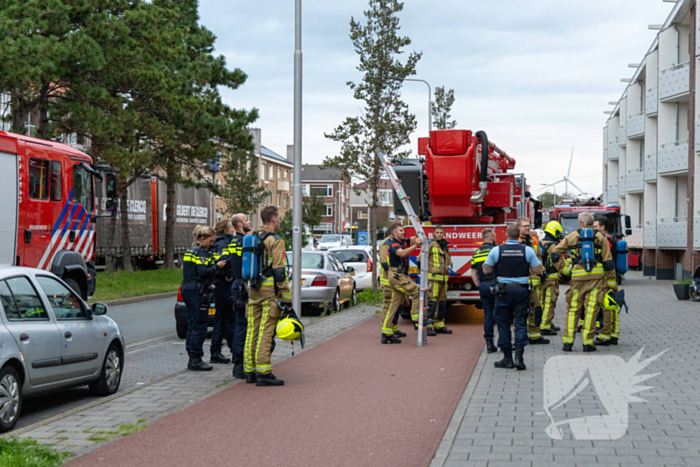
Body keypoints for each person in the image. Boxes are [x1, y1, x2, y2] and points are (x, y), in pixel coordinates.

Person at [552, 212, 618, 352]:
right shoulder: (601, 237)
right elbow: (608, 262)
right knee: (591, 311)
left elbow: (555, 253)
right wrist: (612, 284)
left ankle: (568, 343)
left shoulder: (572, 236)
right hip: (596, 279)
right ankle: (588, 343)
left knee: (573, 310)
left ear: (580, 223)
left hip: (577, 279)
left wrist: (564, 270)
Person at [483, 224, 542, 370]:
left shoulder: (497, 250)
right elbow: (538, 269)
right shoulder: (527, 250)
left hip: (503, 292)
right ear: (518, 236)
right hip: (522, 291)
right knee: (521, 322)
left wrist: (495, 271)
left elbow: (486, 269)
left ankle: (507, 358)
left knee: (503, 324)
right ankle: (519, 358)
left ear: (506, 235)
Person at [244, 206, 291, 386]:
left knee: (252, 331)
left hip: (253, 289)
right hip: (270, 291)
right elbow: (280, 271)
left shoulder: (252, 238)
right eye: (278, 218)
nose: (279, 221)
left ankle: (249, 371)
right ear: (273, 219)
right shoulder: (275, 241)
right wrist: (287, 298)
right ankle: (263, 372)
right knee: (265, 331)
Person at [182, 226, 227, 371]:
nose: (212, 244)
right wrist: (217, 266)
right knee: (200, 325)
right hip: (197, 290)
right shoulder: (200, 253)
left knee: (192, 324)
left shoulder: (190, 251)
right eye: (210, 240)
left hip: (188, 288)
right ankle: (196, 358)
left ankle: (192, 355)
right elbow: (203, 272)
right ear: (202, 239)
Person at [384, 223, 423, 343]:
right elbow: (402, 253)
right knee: (417, 291)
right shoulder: (393, 244)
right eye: (401, 230)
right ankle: (416, 319)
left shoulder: (403, 241)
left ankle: (387, 333)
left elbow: (415, 238)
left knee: (395, 304)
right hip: (397, 275)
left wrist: (417, 224)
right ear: (394, 233)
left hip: (400, 275)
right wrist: (416, 245)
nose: (403, 232)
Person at [517, 217, 549, 345]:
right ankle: (519, 337)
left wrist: (542, 272)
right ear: (518, 228)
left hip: (534, 282)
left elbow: (539, 258)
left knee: (536, 310)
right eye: (524, 226)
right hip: (520, 282)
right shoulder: (515, 242)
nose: (527, 228)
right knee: (520, 311)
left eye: (528, 225)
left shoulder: (534, 240)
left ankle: (534, 336)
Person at [210, 220, 235, 365]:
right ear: (225, 230)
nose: (233, 230)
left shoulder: (219, 242)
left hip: (222, 282)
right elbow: (222, 260)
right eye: (231, 227)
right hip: (225, 283)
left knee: (220, 318)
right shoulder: (223, 243)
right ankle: (235, 350)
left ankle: (216, 351)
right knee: (230, 318)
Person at [230, 213, 252, 379]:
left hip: (236, 284)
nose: (249, 221)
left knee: (240, 324)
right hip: (243, 286)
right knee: (242, 325)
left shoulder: (233, 242)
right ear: (239, 224)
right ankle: (239, 364)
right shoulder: (243, 242)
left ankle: (239, 362)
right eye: (246, 220)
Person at [471, 228, 498, 353]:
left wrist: (479, 285)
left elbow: (473, 273)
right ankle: (504, 343)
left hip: (483, 286)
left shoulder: (476, 253)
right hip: (496, 285)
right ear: (492, 238)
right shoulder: (495, 250)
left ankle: (489, 343)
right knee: (501, 314)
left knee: (487, 315)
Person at [593, 218, 620, 346]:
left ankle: (605, 336)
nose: (594, 229)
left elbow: (605, 259)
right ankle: (613, 334)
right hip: (610, 275)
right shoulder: (608, 238)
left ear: (602, 227)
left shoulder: (605, 240)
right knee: (612, 305)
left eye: (596, 226)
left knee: (607, 307)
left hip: (606, 277)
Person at [379, 230, 407, 340]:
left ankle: (393, 328)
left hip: (394, 280)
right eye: (400, 230)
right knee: (389, 305)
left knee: (397, 305)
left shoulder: (394, 243)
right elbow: (384, 263)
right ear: (392, 233)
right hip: (388, 282)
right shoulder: (386, 244)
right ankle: (386, 329)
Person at [539, 221, 564, 336]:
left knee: (544, 301)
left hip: (541, 277)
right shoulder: (552, 246)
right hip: (551, 278)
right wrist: (569, 272)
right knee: (550, 302)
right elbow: (559, 262)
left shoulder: (540, 243)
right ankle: (545, 326)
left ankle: (547, 323)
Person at [426, 226, 452, 336]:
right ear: (433, 233)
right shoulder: (430, 244)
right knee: (432, 302)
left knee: (442, 302)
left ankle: (439, 325)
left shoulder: (444, 245)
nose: (439, 234)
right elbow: (420, 259)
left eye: (441, 232)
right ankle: (428, 326)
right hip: (433, 279)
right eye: (437, 232)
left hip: (443, 279)